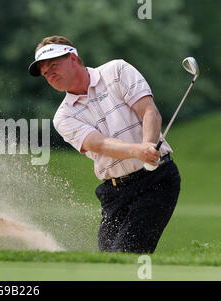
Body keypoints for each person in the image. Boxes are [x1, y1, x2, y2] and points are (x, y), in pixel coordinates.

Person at [28, 36, 181, 253]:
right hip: (114, 192)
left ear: (73, 58)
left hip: (156, 180)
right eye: (45, 73)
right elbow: (98, 144)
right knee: (108, 261)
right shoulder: (63, 117)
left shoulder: (116, 71)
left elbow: (149, 111)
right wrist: (139, 151)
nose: (50, 75)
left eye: (53, 65)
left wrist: (148, 145)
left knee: (125, 255)